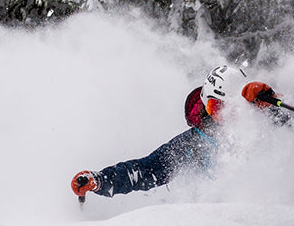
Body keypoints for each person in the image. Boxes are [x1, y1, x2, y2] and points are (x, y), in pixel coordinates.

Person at [72, 65, 278, 199]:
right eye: (212, 107)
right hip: (214, 225)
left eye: (223, 108)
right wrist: (101, 179)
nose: (218, 116)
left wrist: (271, 102)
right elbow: (147, 170)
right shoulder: (192, 144)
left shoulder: (262, 122)